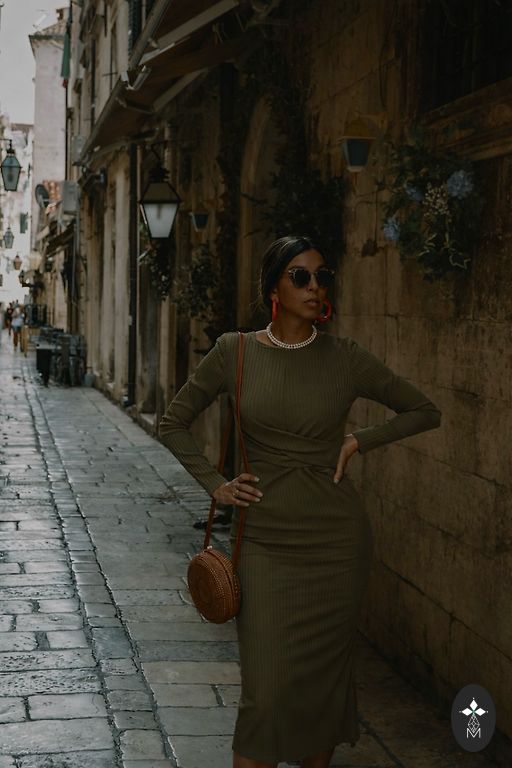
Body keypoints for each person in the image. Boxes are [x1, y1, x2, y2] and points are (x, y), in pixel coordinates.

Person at [159, 234, 442, 768]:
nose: (315, 286)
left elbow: (424, 411)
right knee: (264, 696)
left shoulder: (345, 358)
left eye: (322, 276)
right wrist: (215, 483)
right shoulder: (234, 352)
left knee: (321, 689)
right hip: (264, 542)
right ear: (273, 289)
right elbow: (172, 422)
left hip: (336, 545)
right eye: (301, 276)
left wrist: (359, 440)